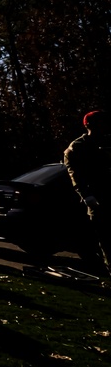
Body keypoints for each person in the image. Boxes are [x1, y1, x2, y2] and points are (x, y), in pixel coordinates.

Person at [63, 110, 111, 275]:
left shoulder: (107, 143)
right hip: (99, 199)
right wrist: (87, 195)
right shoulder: (78, 147)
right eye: (100, 123)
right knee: (106, 239)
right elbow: (75, 174)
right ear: (89, 125)